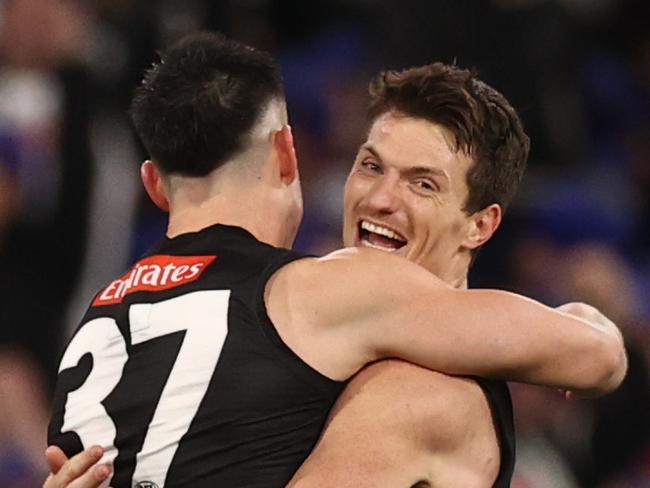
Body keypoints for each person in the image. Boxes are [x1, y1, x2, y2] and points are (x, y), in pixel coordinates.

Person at [45, 32, 626, 488]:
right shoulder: (309, 340)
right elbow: (595, 353)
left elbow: (601, 355)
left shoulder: (102, 316)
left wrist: (582, 323)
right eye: (370, 166)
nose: (380, 199)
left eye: (422, 184)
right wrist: (579, 319)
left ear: (482, 224)